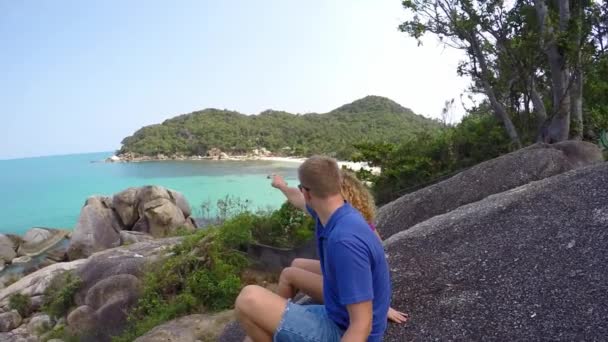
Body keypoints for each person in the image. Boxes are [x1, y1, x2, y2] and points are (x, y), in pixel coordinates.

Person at [235, 156, 391, 341]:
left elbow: (362, 324)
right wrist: (282, 186)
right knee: (252, 333)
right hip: (335, 316)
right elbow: (297, 198)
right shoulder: (336, 213)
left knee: (248, 299)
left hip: (343, 331)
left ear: (307, 193)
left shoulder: (345, 241)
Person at [271, 170, 408, 324]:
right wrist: (281, 185)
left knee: (288, 274)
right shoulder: (333, 214)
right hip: (341, 276)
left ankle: (272, 321)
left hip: (352, 293)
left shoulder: (352, 230)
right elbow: (297, 198)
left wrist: (380, 307)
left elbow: (374, 267)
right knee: (297, 264)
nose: (306, 193)